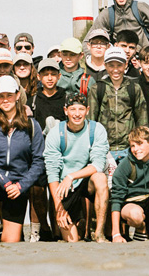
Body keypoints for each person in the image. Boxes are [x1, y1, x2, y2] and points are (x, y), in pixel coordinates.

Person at [0, 75, 46, 243]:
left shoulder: (32, 125)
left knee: (11, 242)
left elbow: (38, 162)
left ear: (17, 95)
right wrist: (4, 181)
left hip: (18, 188)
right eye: (1, 96)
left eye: (9, 95)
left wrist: (21, 185)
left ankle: (2, 233)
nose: (5, 100)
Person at [42, 91, 110, 242]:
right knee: (73, 240)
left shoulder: (96, 129)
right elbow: (52, 172)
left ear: (87, 110)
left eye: (81, 109)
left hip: (85, 181)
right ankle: (77, 223)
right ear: (66, 111)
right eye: (73, 109)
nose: (77, 114)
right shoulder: (56, 133)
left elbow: (97, 165)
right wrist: (59, 207)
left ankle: (99, 233)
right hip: (64, 189)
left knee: (100, 178)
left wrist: (72, 176)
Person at [89, 46, 148, 161]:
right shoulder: (97, 88)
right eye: (111, 65)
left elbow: (142, 120)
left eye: (119, 65)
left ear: (126, 65)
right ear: (105, 65)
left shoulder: (134, 88)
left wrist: (140, 145)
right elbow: (91, 121)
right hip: (103, 149)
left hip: (129, 149)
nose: (115, 70)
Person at [33, 58, 69, 130]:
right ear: (39, 77)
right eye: (45, 75)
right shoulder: (33, 101)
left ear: (59, 76)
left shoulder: (66, 99)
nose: (50, 78)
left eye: (53, 74)